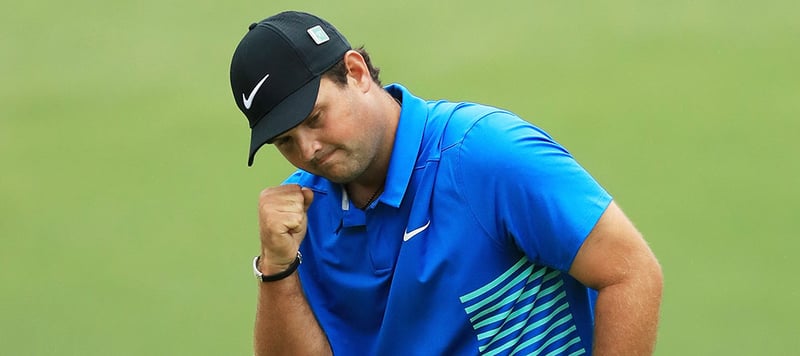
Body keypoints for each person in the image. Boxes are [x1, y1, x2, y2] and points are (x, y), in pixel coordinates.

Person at [229, 10, 663, 356]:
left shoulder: (483, 154)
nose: (308, 151)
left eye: (315, 119)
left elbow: (630, 272)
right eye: (285, 141)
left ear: (357, 73)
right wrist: (278, 268)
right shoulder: (302, 217)